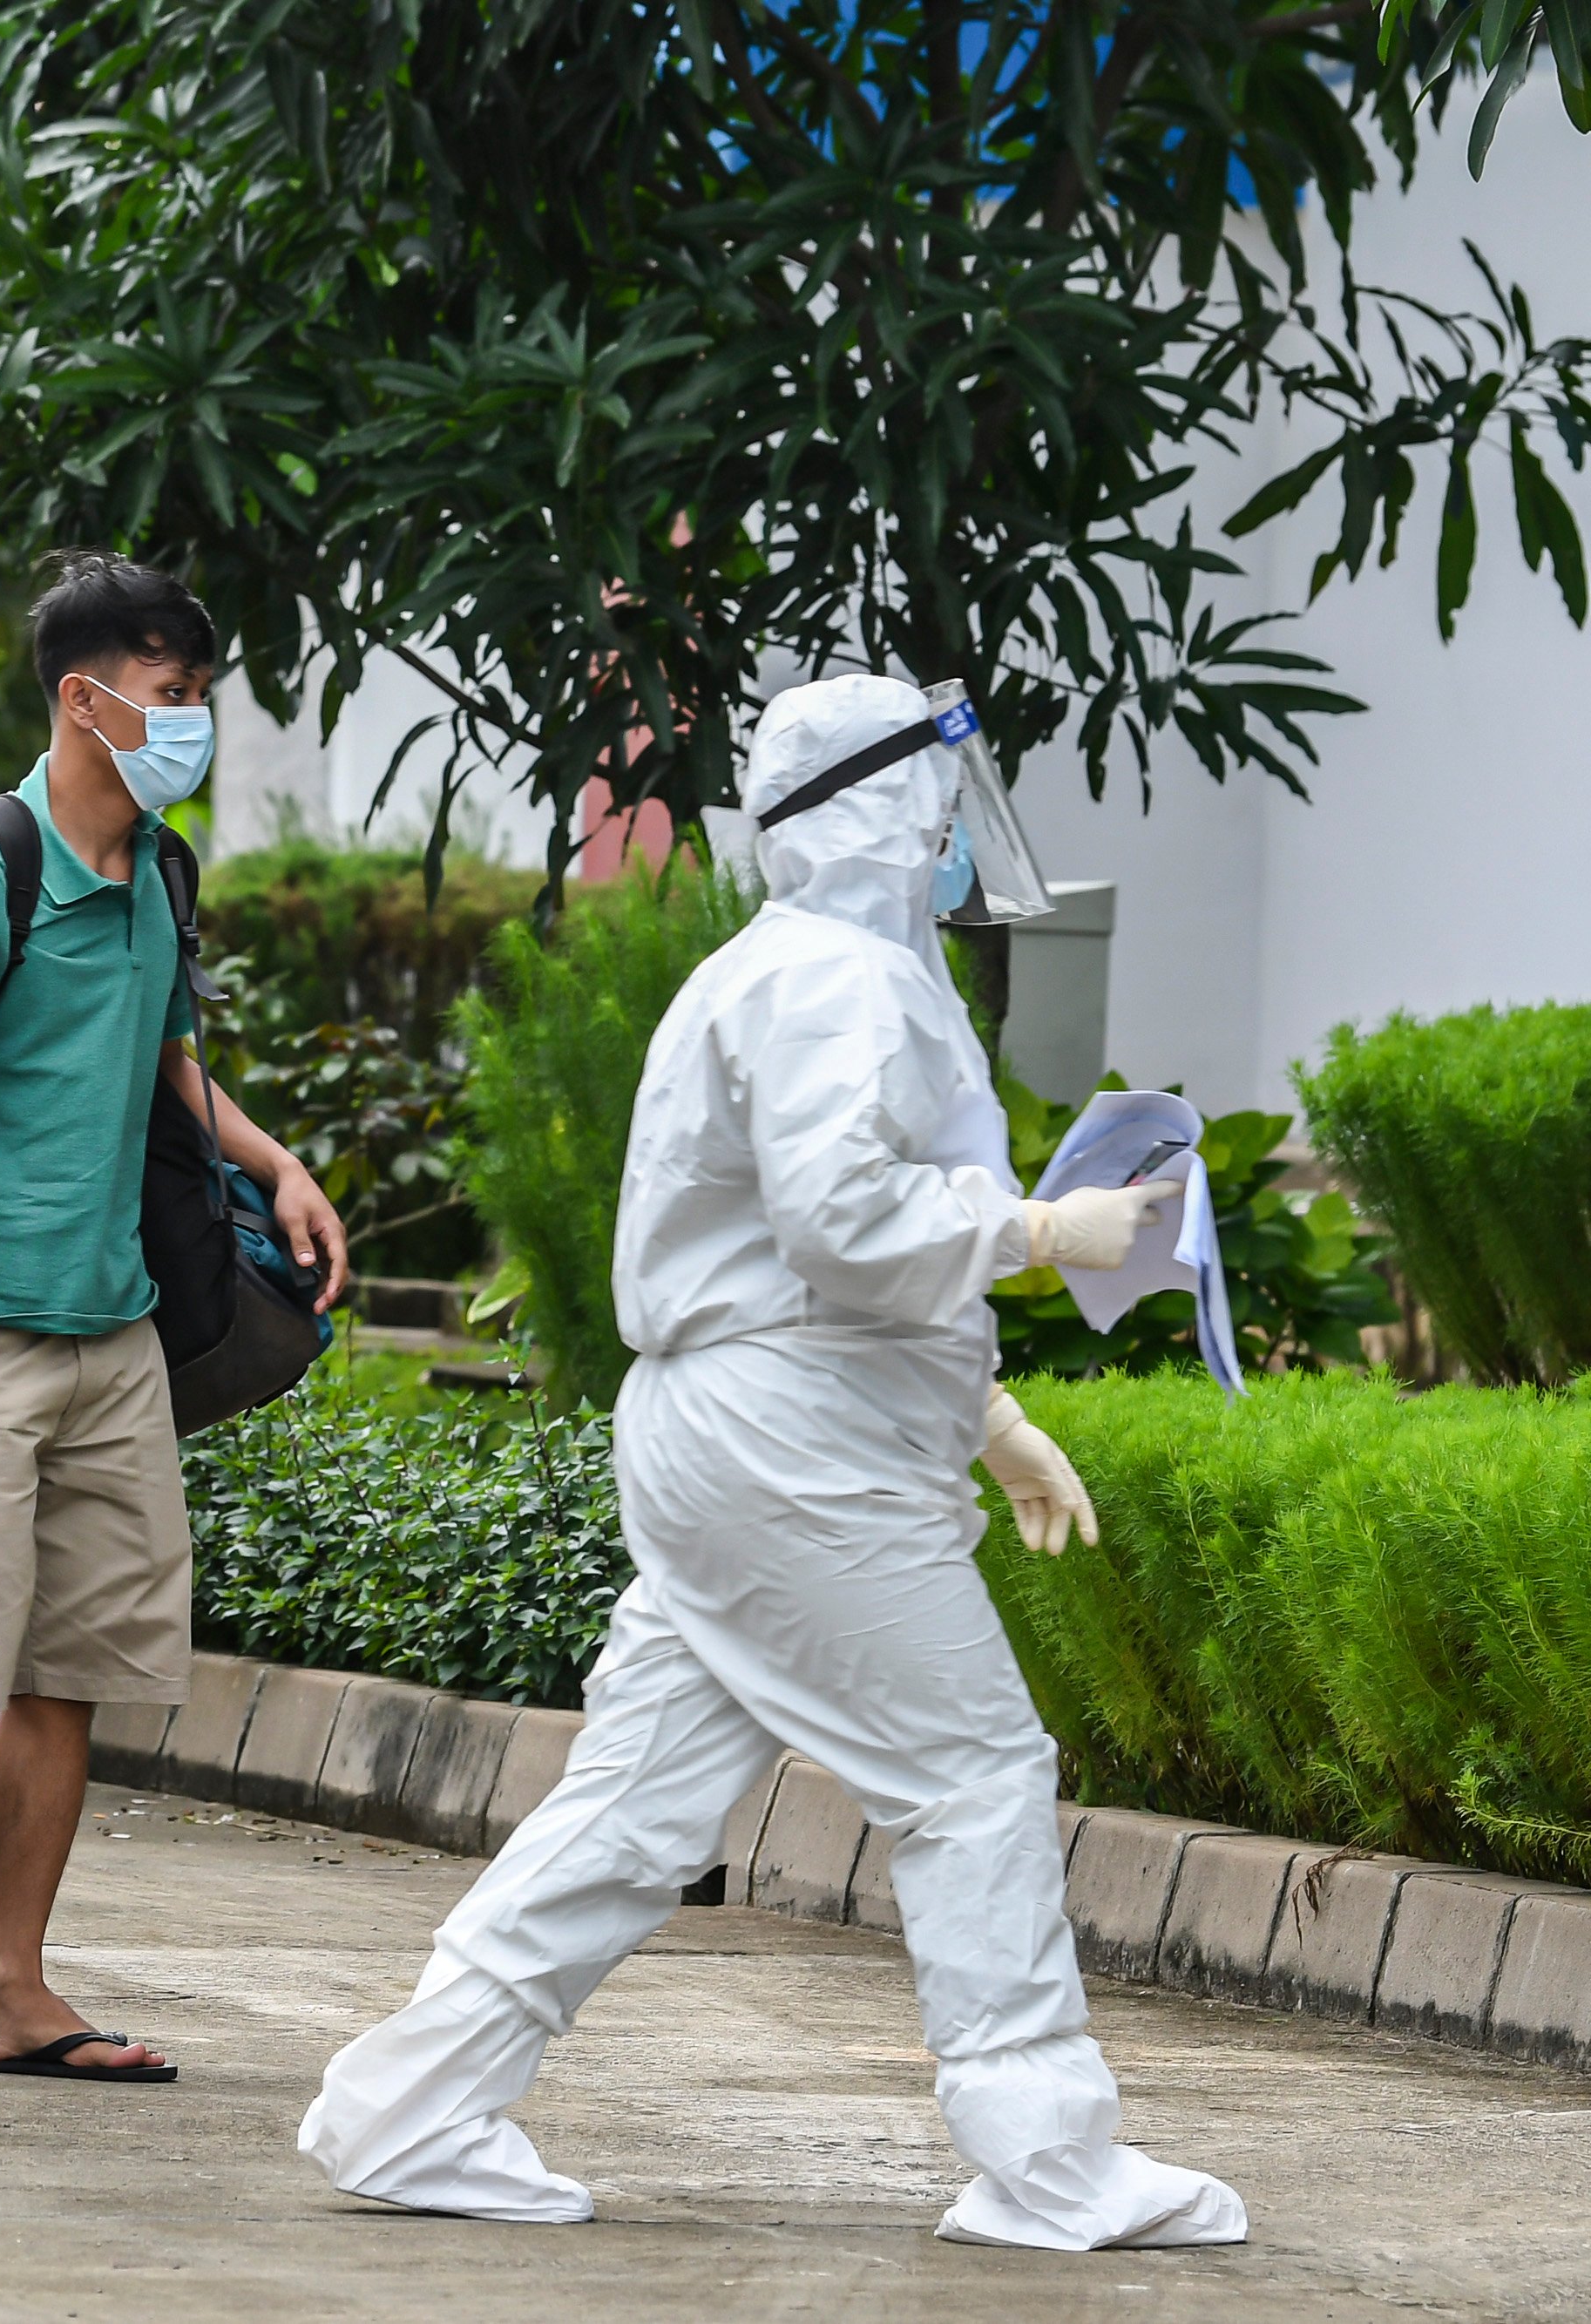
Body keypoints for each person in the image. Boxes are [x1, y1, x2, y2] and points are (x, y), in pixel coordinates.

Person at [297, 673, 1247, 2251]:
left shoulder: (796, 969)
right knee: (974, 1775)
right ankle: (1048, 2161)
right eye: (938, 805)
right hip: (795, 1452)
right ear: (883, 809)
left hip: (754, 1437)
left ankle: (414, 2105)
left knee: (641, 1806)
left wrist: (990, 1422)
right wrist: (1033, 1231)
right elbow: (843, 1224)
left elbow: (774, 1247)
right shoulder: (835, 983)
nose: (956, 837)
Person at [0, 556, 347, 2085]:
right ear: (84, 698)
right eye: (171, 693)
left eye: (198, 693)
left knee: (74, 1672)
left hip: (115, 1340)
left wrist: (273, 1163)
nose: (190, 721)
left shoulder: (161, 870)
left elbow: (163, 1057)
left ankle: (12, 1991)